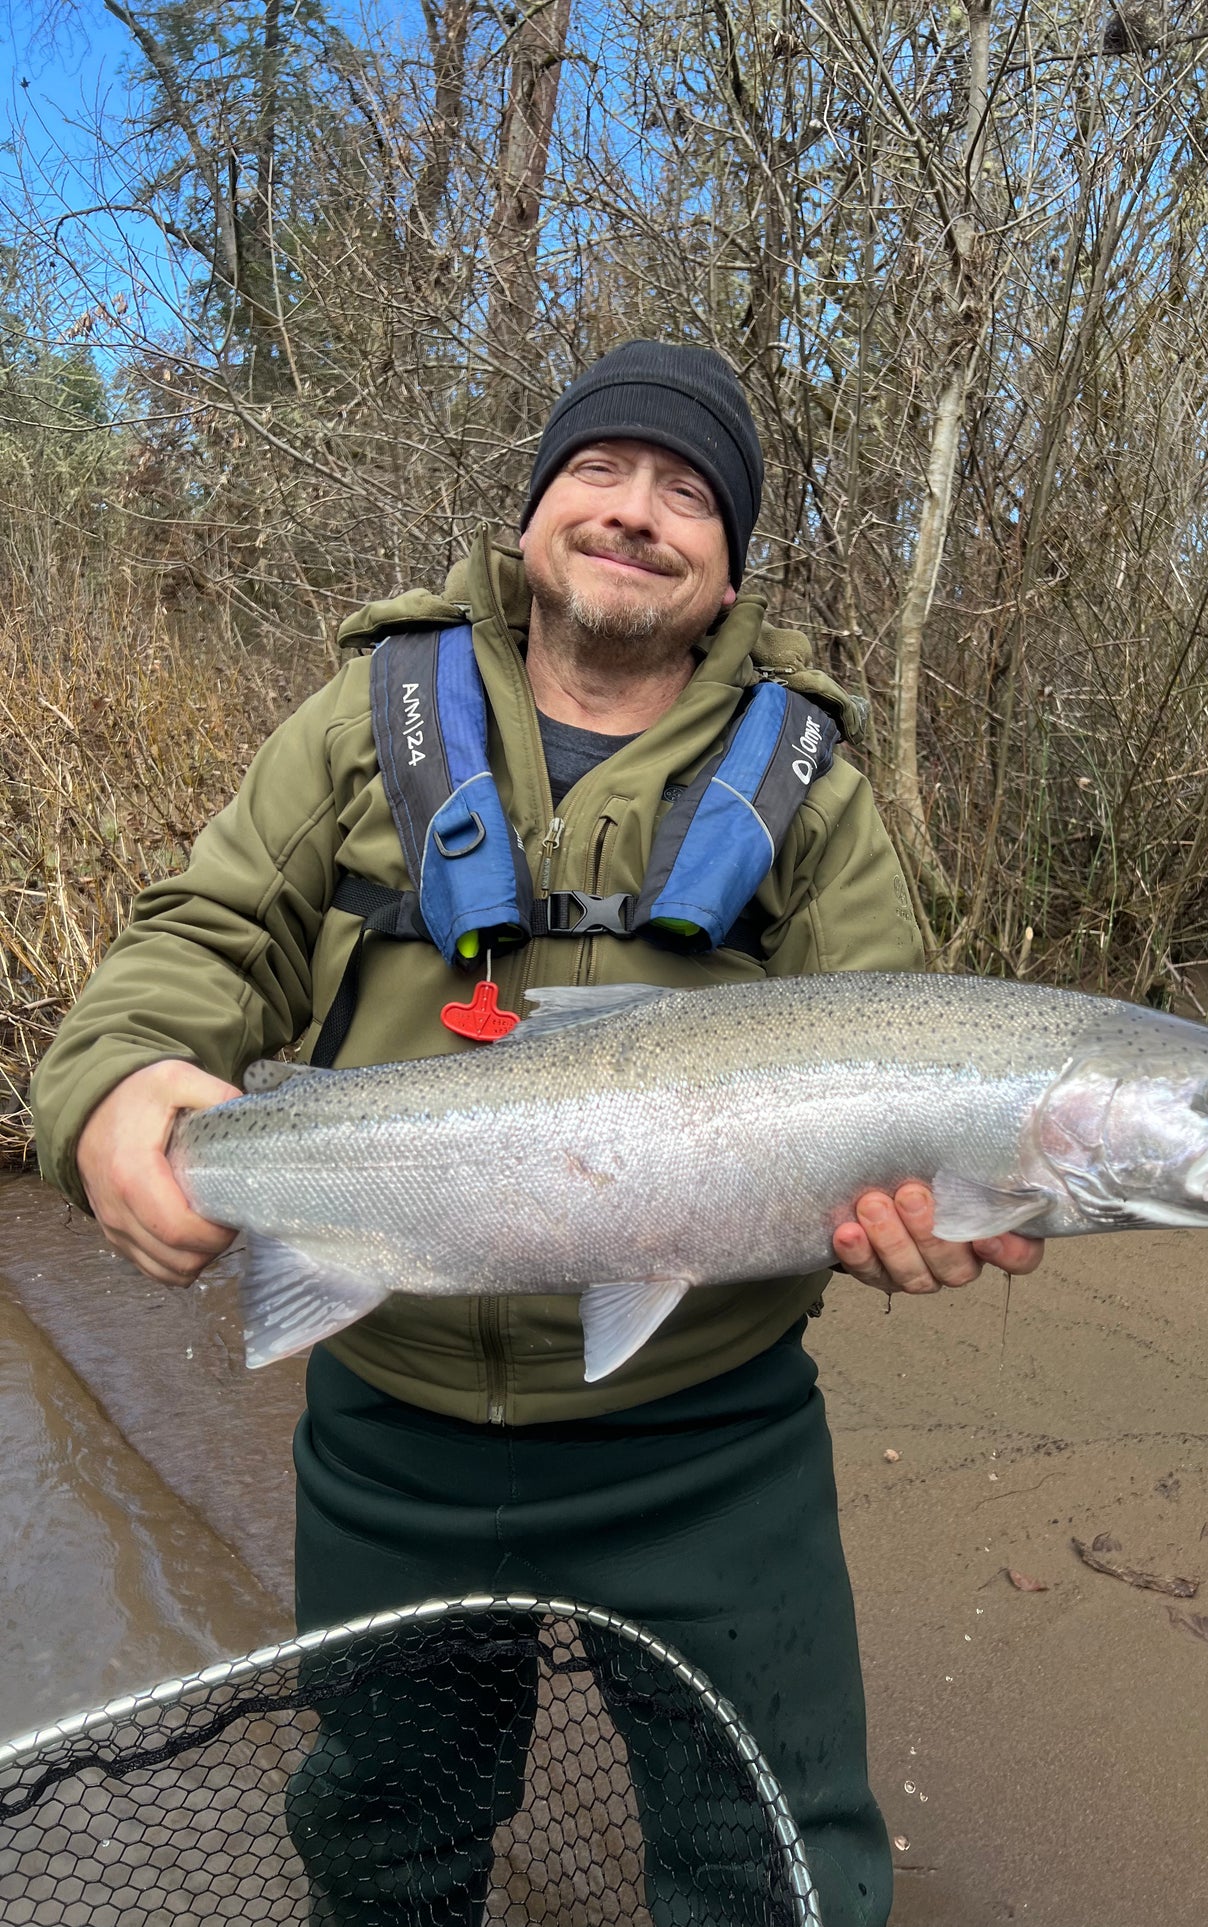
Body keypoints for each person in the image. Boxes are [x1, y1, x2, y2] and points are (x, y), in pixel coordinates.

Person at [30, 341, 1043, 1924]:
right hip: (392, 1431)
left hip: (710, 1436)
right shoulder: (362, 720)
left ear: (729, 572)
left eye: (688, 494)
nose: (634, 511)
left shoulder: (813, 792)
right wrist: (108, 1086)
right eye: (600, 471)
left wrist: (925, 1206)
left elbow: (899, 1049)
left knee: (772, 1858)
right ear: (531, 516)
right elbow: (203, 935)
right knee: (385, 1841)